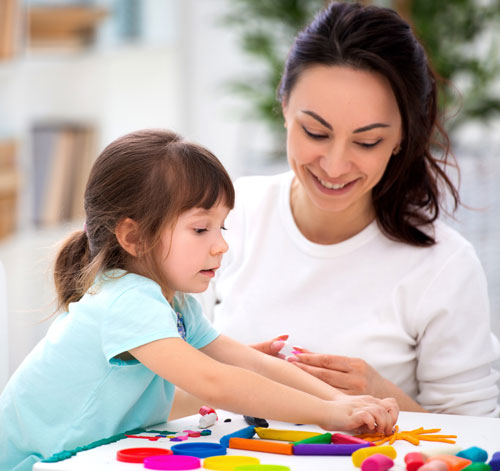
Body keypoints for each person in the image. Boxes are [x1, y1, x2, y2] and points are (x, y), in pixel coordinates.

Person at [0, 130, 398, 471]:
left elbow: (252, 362)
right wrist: (332, 414)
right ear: (133, 236)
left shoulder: (173, 303)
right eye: (201, 228)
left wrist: (344, 401)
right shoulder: (126, 300)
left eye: (221, 226)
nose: (221, 245)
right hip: (39, 463)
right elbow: (217, 381)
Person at [199, 2, 500, 416]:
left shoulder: (442, 266)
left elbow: (478, 438)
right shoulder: (224, 217)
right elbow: (146, 384)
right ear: (285, 108)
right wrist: (232, 381)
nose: (335, 165)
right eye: (316, 132)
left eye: (367, 142)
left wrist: (383, 395)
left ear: (400, 138)